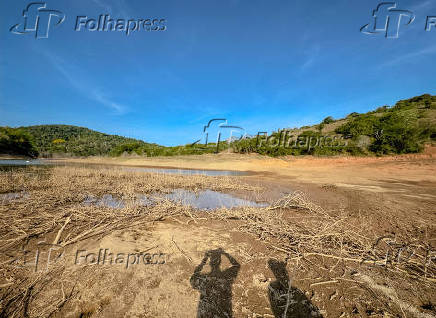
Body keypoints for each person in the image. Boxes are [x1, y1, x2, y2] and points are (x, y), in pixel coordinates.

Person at [190, 248, 240, 318]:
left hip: (206, 312)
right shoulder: (225, 277)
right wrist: (225, 253)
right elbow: (236, 265)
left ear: (210, 263)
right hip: (222, 312)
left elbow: (193, 277)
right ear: (219, 262)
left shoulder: (204, 279)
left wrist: (204, 260)